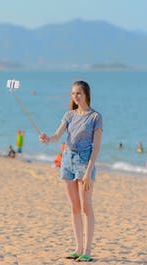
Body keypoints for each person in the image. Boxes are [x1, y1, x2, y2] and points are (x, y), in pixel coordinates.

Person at [39, 80, 102, 262]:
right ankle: (78, 248)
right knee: (74, 207)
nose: (75, 96)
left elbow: (96, 147)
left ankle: (87, 250)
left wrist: (89, 171)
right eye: (73, 93)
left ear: (86, 95)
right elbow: (57, 136)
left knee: (86, 206)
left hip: (85, 162)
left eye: (78, 93)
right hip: (67, 160)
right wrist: (47, 139)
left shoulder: (95, 117)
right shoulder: (69, 115)